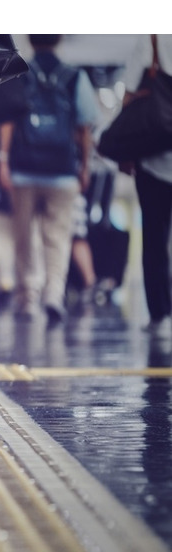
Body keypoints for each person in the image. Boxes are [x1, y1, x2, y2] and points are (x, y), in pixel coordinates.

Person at [0, 34, 98, 325]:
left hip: (23, 170)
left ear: (30, 39)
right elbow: (84, 127)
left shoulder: (20, 73)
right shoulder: (74, 77)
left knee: (24, 237)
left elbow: (9, 121)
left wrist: (3, 160)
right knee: (58, 238)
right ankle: (54, 294)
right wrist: (85, 166)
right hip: (63, 172)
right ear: (59, 40)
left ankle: (28, 298)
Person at [122, 34, 172, 338]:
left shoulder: (151, 40)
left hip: (154, 158)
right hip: (154, 161)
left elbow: (129, 97)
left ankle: (160, 315)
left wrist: (126, 150)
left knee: (153, 238)